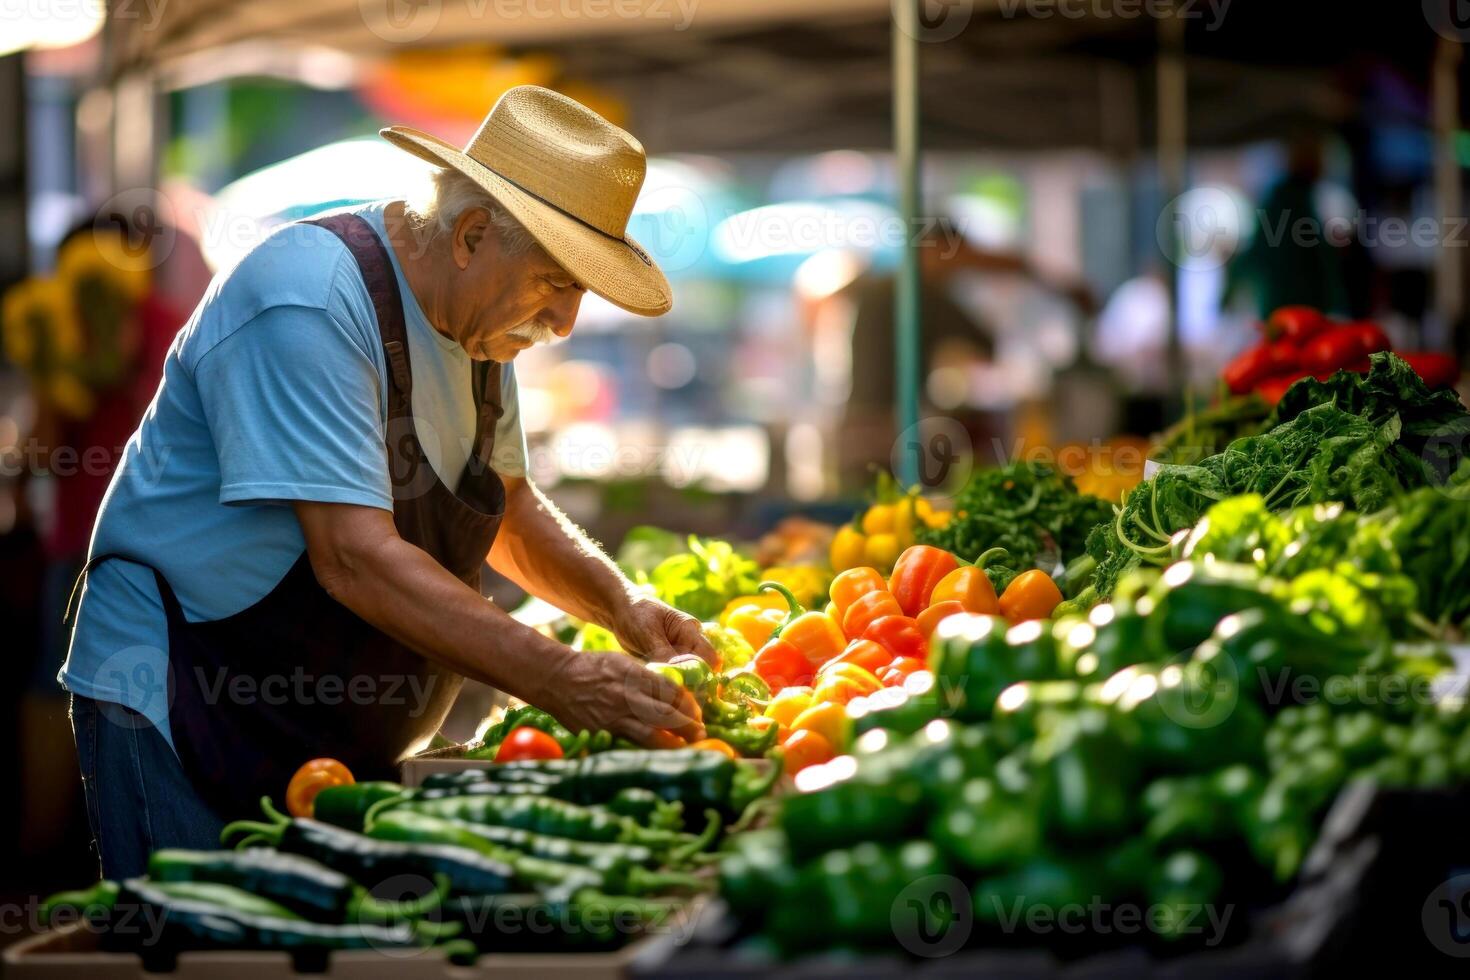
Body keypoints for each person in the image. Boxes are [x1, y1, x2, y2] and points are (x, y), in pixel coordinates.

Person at [60, 86, 715, 879]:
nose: (568, 323)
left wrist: (620, 606)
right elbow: (352, 556)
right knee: (195, 952)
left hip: (315, 714)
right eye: (558, 282)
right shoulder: (309, 296)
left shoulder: (478, 328)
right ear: (473, 234)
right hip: (184, 693)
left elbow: (505, 506)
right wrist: (561, 677)